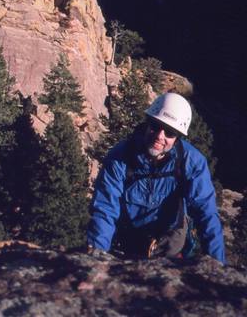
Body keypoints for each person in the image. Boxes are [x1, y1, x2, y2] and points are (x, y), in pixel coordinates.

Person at [87, 92, 225, 263]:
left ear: (177, 137)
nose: (160, 136)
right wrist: (96, 258)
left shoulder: (191, 162)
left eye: (170, 132)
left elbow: (206, 214)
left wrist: (217, 264)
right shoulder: (120, 157)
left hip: (170, 248)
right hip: (127, 245)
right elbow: (105, 209)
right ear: (147, 123)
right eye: (155, 125)